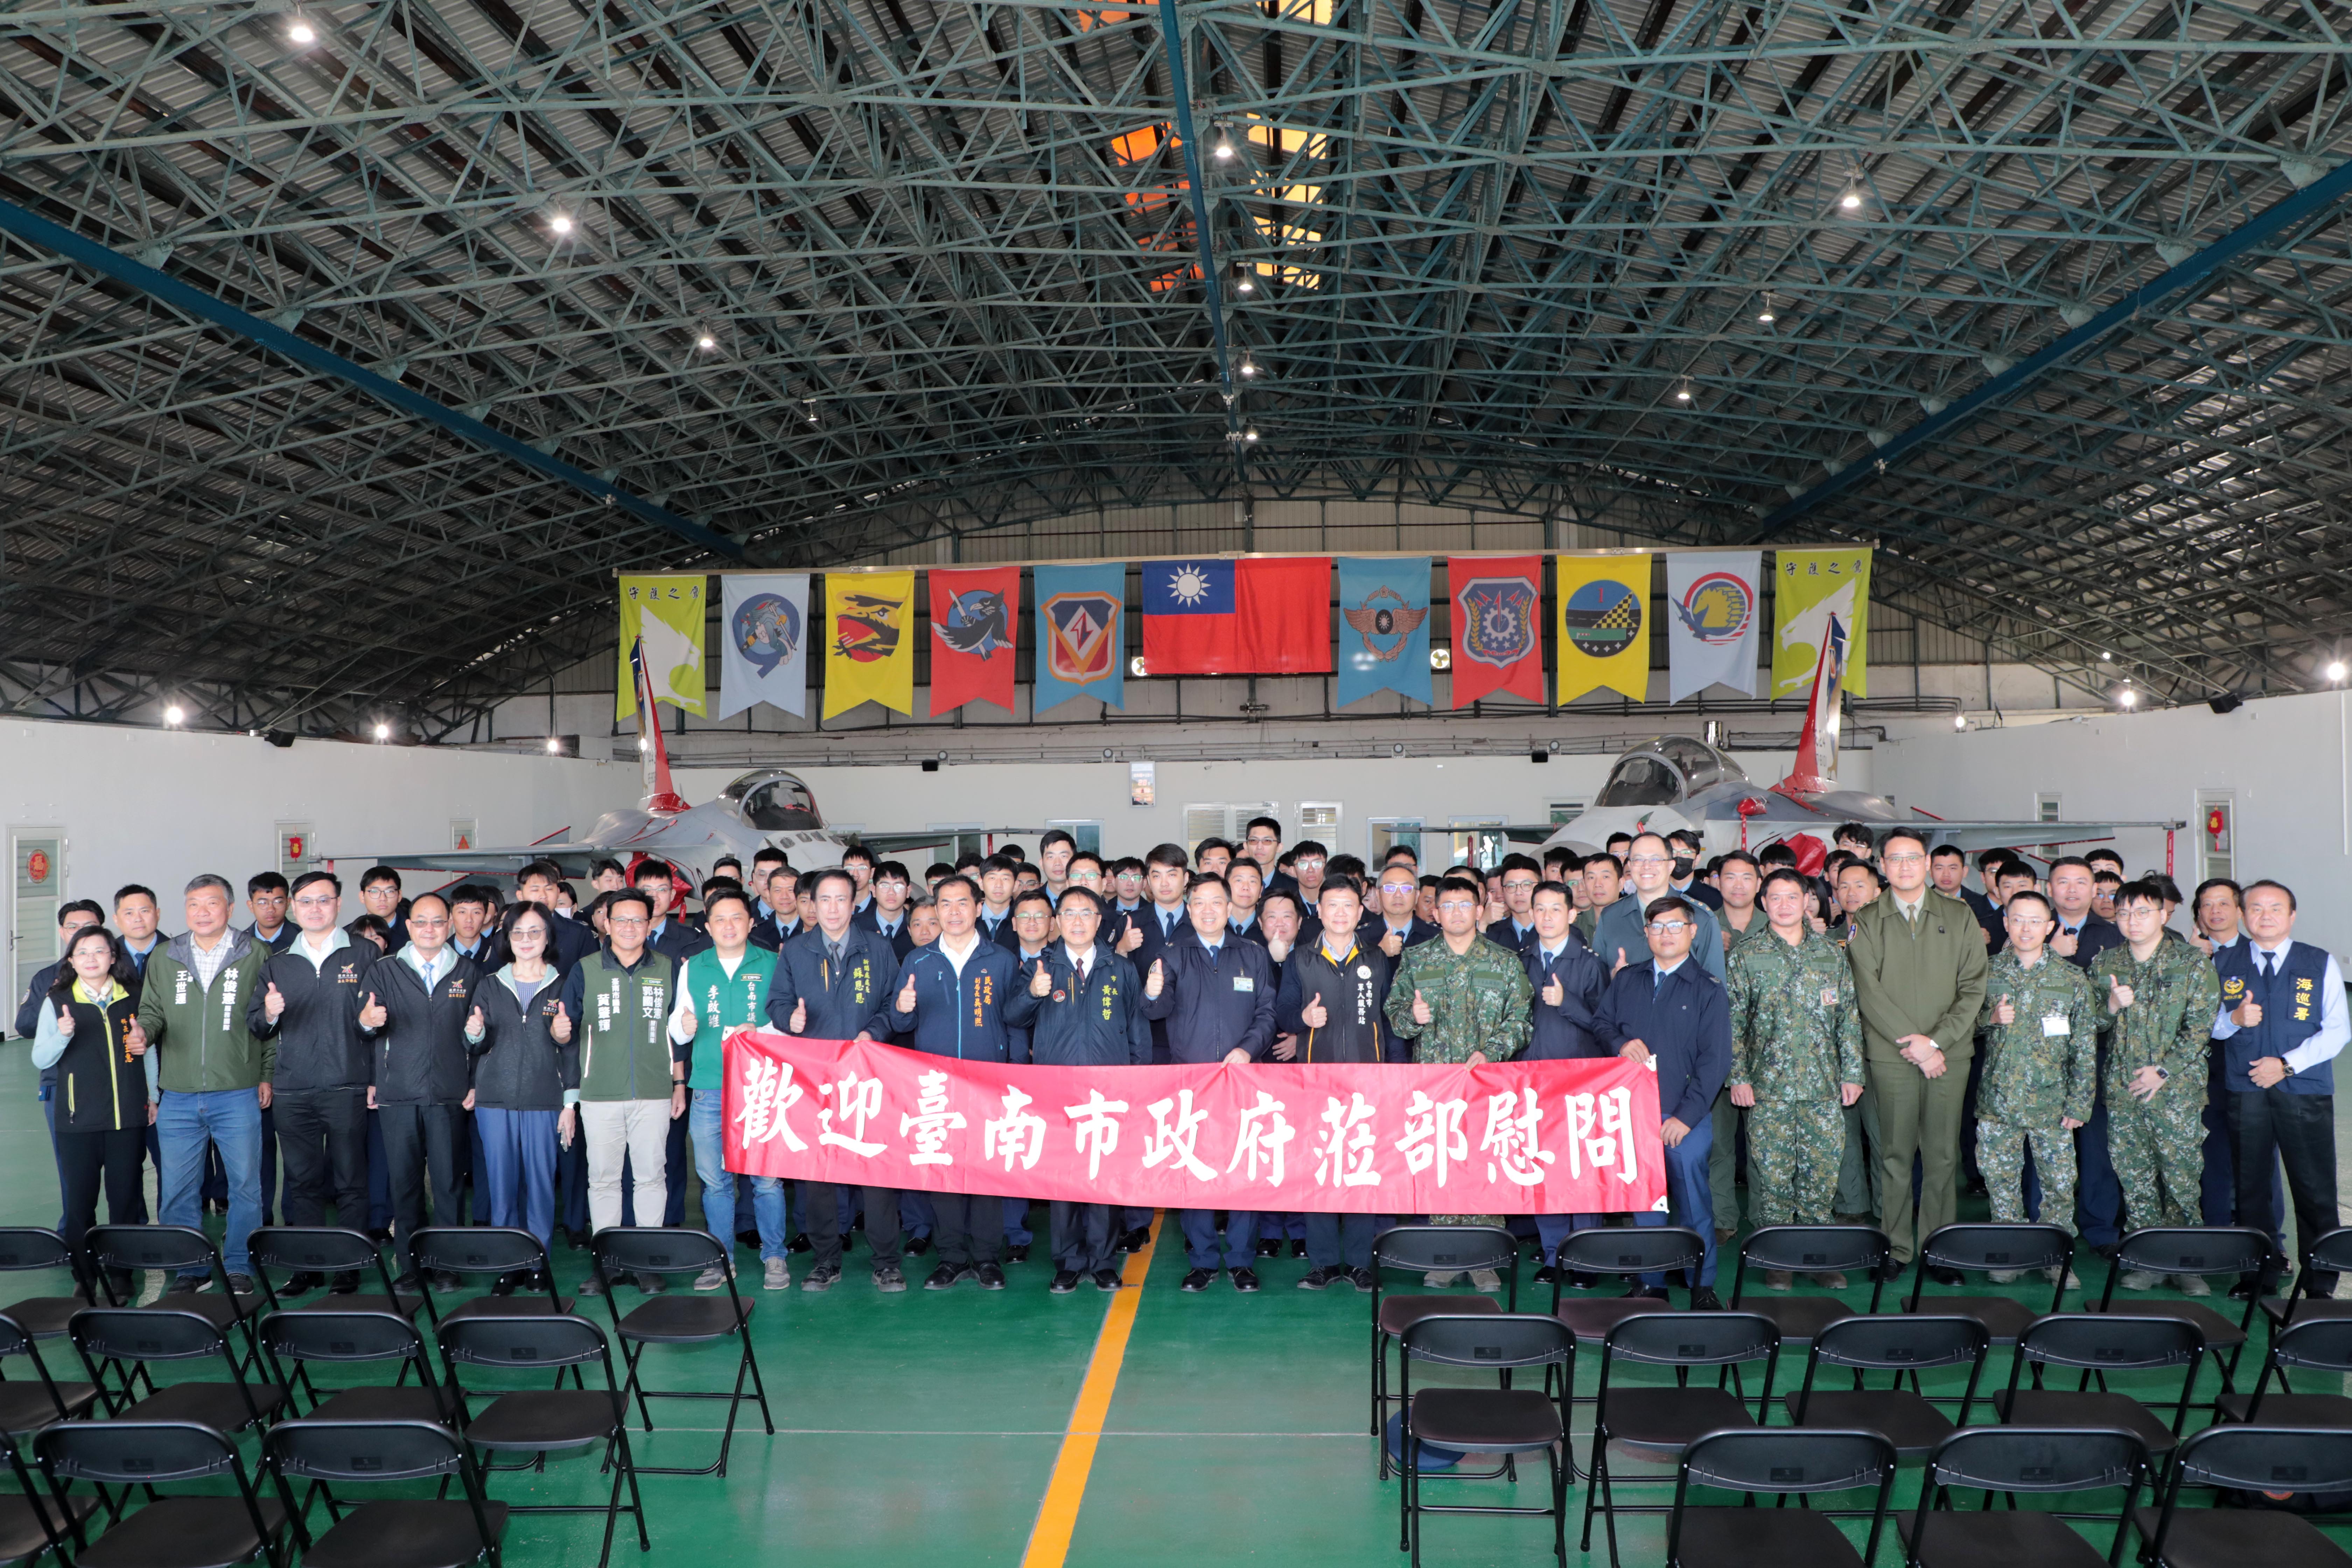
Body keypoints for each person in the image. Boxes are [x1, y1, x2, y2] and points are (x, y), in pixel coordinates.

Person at [1845, 827, 1989, 1280]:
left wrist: (1937, 1042)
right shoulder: (1868, 920)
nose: (1905, 867)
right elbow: (1868, 992)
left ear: (1927, 864)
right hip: (1892, 1057)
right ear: (1883, 867)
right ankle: (1896, 1248)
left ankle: (1937, 1249)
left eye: (1913, 858)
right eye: (1895, 859)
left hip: (1949, 1055)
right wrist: (1915, 1044)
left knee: (1944, 1155)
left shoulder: (1959, 916)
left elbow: (1973, 988)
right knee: (1895, 1154)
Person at [1383, 874, 1533, 1291]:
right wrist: (1413, 1018)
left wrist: (1494, 1050)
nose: (1455, 913)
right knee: (1442, 1168)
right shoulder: (1416, 960)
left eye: (1464, 905)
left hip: (1489, 1084)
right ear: (1434, 912)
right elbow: (1393, 1011)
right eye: (1447, 906)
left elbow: (1521, 1020)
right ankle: (1446, 1257)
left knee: (1486, 1166)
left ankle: (1484, 1259)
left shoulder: (1504, 961)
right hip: (1437, 1087)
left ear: (1480, 909)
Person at [762, 867, 905, 1292]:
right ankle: (826, 1260)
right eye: (824, 899)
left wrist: (873, 1033)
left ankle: (886, 1262)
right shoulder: (795, 951)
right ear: (812, 903)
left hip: (866, 1077)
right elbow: (777, 1001)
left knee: (876, 1172)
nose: (832, 908)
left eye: (841, 899)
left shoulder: (878, 949)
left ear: (855, 902)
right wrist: (790, 1018)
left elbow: (893, 1006)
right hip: (815, 1080)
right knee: (818, 1174)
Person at [1724, 869, 1864, 1285]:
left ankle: (1817, 1255)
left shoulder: (1830, 953)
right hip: (1768, 1087)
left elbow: (1849, 1018)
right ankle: (1778, 1257)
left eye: (1793, 897)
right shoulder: (1747, 955)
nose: (1784, 905)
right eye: (1776, 898)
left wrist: (1853, 1072)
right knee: (1773, 1175)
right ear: (1764, 903)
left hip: (1823, 1085)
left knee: (1822, 1173)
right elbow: (1732, 1024)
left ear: (1808, 901)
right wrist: (1739, 1077)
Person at [889, 875, 1026, 1290]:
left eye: (962, 903)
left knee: (985, 1173)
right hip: (937, 1084)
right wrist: (902, 1006)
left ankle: (986, 1257)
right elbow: (900, 1024)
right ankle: (950, 1257)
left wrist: (1014, 1072)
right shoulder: (918, 961)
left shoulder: (1002, 959)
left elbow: (1016, 1020)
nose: (953, 912)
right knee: (944, 1173)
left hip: (988, 1083)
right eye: (945, 904)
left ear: (978, 908)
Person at [137, 875, 273, 1294]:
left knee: (245, 1184)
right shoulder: (166, 955)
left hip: (237, 1090)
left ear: (230, 909)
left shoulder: (255, 953)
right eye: (194, 904)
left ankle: (239, 1265)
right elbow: (152, 1010)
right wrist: (144, 1031)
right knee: (177, 1188)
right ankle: (191, 1269)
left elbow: (270, 1023)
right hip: (177, 1092)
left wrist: (266, 1075)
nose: (202, 912)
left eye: (211, 904)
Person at [1141, 874, 1276, 1292]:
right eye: (1198, 903)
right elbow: (1155, 1011)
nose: (1208, 910)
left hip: (1242, 1079)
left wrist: (1248, 1050)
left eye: (1216, 902)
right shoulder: (1173, 954)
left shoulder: (1252, 955)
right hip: (1193, 1082)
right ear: (1188, 906)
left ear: (1230, 904)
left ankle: (1240, 1260)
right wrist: (1151, 991)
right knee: (1194, 1171)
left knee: (1242, 1167)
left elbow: (1267, 1013)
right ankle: (1201, 1260)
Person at [1596, 895, 1733, 1307]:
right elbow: (1602, 1023)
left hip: (1684, 1115)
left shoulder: (1708, 990)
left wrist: (1687, 1117)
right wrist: (1621, 1042)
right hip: (1635, 1113)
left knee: (1694, 1202)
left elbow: (1716, 1061)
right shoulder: (1627, 980)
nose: (1666, 934)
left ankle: (1701, 1283)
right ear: (1647, 933)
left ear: (1692, 932)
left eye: (1675, 926)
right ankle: (1650, 1281)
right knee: (1645, 1203)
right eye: (1657, 927)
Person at [2212, 880, 2345, 1300]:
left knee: (2314, 1186)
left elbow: (2338, 1029)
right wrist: (2233, 1019)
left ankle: (2321, 1281)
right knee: (2250, 1186)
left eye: (2275, 908)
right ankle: (2259, 1274)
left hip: (2303, 1088)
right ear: (2243, 914)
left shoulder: (2318, 961)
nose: (2265, 916)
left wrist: (2286, 1065)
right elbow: (2207, 1025)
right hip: (2245, 1087)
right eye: (2255, 908)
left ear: (2291, 916)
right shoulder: (2223, 961)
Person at [1017, 887, 1149, 1293]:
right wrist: (1031, 994)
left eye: (1086, 914)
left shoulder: (1120, 968)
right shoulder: (1041, 966)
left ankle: (1104, 1260)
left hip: (1109, 1090)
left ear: (1098, 922)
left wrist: (1138, 1079)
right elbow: (1012, 1014)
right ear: (1057, 922)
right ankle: (1068, 1262)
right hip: (1059, 1092)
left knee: (1103, 1177)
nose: (1077, 921)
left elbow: (1138, 1028)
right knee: (1064, 1180)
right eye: (1069, 913)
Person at [2092, 879, 2221, 1283]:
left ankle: (2186, 1264)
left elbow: (2201, 1028)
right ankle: (2147, 1262)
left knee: (2182, 1179)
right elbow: (2090, 1023)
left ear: (2164, 914)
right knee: (2136, 1180)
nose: (2132, 920)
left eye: (2143, 911)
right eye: (2125, 912)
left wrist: (2163, 1071)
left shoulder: (2192, 962)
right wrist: (2110, 1006)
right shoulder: (2104, 963)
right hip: (2124, 1092)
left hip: (2176, 1093)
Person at [250, 871, 376, 1287]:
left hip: (348, 1085)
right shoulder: (278, 962)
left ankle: (348, 1264)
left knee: (350, 1180)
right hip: (294, 1088)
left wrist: (374, 1071)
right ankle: (308, 1264)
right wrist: (269, 1012)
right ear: (293, 907)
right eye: (305, 902)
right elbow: (257, 1026)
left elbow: (381, 1025)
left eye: (324, 900)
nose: (315, 908)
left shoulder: (365, 955)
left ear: (339, 904)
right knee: (302, 1182)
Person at [558, 889, 683, 1296]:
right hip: (600, 1093)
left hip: (653, 1090)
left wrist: (679, 1083)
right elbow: (567, 1030)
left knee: (651, 1177)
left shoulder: (668, 968)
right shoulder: (585, 969)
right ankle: (607, 1263)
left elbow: (680, 1033)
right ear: (606, 923)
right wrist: (558, 1032)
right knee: (604, 1180)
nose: (630, 927)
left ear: (650, 925)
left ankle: (647, 1261)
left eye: (638, 920)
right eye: (622, 920)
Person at [1273, 877, 1394, 1290]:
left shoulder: (1378, 959)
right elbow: (1283, 1010)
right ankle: (1323, 1262)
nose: (1341, 913)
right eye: (1332, 906)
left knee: (1362, 1170)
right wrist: (1302, 1020)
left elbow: (1391, 1021)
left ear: (1361, 913)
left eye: (1349, 906)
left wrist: (1392, 1075)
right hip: (1315, 1082)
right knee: (1320, 1170)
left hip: (1368, 1081)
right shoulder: (1300, 959)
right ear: (1319, 912)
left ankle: (1361, 1262)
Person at [358, 892, 482, 1292]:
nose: (430, 929)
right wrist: (367, 1021)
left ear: (450, 926)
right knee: (405, 1183)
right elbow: (363, 1027)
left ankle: (446, 1264)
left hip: (449, 1093)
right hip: (399, 1093)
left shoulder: (468, 971)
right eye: (421, 922)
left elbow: (478, 1034)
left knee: (448, 1183)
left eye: (438, 922)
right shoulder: (384, 970)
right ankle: (409, 1265)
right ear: (408, 926)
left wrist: (475, 1055)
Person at [668, 889, 789, 1291]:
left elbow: (787, 1025)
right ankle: (721, 1260)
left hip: (762, 1086)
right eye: (720, 919)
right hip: (709, 1085)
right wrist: (682, 1027)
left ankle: (775, 1256)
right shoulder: (694, 967)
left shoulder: (772, 962)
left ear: (752, 922)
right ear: (707, 926)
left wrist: (764, 1030)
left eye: (737, 917)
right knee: (715, 1180)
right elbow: (676, 1022)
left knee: (767, 1180)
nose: (729, 926)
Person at [1973, 889, 2095, 1283]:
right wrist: (1988, 1018)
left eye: (2034, 921)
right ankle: (2009, 1253)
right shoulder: (1985, 972)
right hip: (1999, 1100)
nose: (2025, 928)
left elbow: (2085, 1047)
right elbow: (1961, 1025)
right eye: (2017, 920)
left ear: (2049, 926)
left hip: (2053, 1103)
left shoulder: (2072, 978)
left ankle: (2055, 1256)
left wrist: (2079, 1103)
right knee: (2001, 1182)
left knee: (2059, 1185)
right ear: (2006, 924)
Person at [34, 925, 148, 1299]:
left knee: (125, 1201)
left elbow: (149, 1052)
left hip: (125, 1119)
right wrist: (62, 1034)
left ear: (113, 957)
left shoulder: (132, 998)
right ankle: (84, 1276)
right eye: (83, 953)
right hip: (76, 1122)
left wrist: (154, 1098)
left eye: (100, 951)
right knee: (80, 1203)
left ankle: (121, 1273)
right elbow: (40, 1057)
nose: (92, 959)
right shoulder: (57, 1001)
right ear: (71, 960)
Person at [472, 902, 576, 1291]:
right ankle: (507, 1263)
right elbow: (475, 1043)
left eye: (535, 932)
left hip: (544, 1098)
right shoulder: (489, 983)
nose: (527, 940)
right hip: (495, 1100)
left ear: (548, 937)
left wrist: (570, 1104)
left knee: (540, 1185)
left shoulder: (563, 985)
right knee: (501, 1186)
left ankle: (538, 1263)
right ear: (508, 938)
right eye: (518, 932)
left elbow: (572, 1048)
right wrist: (475, 1033)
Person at [1515, 881, 1609, 1284]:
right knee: (1542, 1168)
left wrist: (1566, 1002)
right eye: (1540, 909)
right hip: (1532, 1081)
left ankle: (1587, 1257)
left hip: (1579, 1083)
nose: (1548, 917)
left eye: (1557, 909)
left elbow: (1607, 1027)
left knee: (1582, 1170)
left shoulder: (1590, 964)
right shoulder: (1520, 960)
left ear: (1573, 914)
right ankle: (1554, 1254)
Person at [1596, 834, 1725, 979]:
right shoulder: (1610, 917)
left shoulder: (1700, 918)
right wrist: (1614, 977)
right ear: (1630, 866)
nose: (1647, 866)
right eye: (1638, 860)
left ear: (1671, 866)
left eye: (1656, 859)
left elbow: (1716, 988)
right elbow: (1595, 984)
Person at [864, 862, 916, 956]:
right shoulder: (856, 926)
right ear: (874, 890)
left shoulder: (917, 927)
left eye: (898, 887)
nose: (891, 893)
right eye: (884, 886)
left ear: (908, 892)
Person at [351, 868, 407, 951]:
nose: (383, 898)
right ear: (362, 897)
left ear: (399, 896)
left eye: (390, 891)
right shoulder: (348, 935)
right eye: (374, 892)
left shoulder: (414, 933)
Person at [1667, 830, 1723, 911]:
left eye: (1686, 852)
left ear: (1697, 859)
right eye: (1673, 852)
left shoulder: (1714, 898)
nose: (1679, 857)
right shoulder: (1653, 894)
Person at [1576, 854, 1622, 948]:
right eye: (1591, 878)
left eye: (1605, 877)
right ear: (1585, 885)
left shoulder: (1637, 923)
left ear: (1621, 884)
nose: (1598, 884)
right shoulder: (1574, 926)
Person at [243, 873, 295, 953]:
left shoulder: (302, 939)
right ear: (251, 906)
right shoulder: (240, 943)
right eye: (263, 903)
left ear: (288, 903)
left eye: (278, 902)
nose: (271, 909)